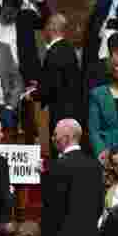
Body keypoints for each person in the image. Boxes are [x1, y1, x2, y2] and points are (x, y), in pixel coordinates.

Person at [43, 118, 104, 236]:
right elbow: (99, 204)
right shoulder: (95, 165)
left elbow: (53, 207)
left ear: (66, 138)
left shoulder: (58, 166)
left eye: (55, 135)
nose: (52, 139)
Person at [32, 13, 82, 144]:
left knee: (60, 150)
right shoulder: (68, 49)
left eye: (45, 27)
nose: (44, 31)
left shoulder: (54, 52)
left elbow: (52, 86)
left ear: (51, 28)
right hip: (73, 110)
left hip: (60, 112)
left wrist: (34, 94)